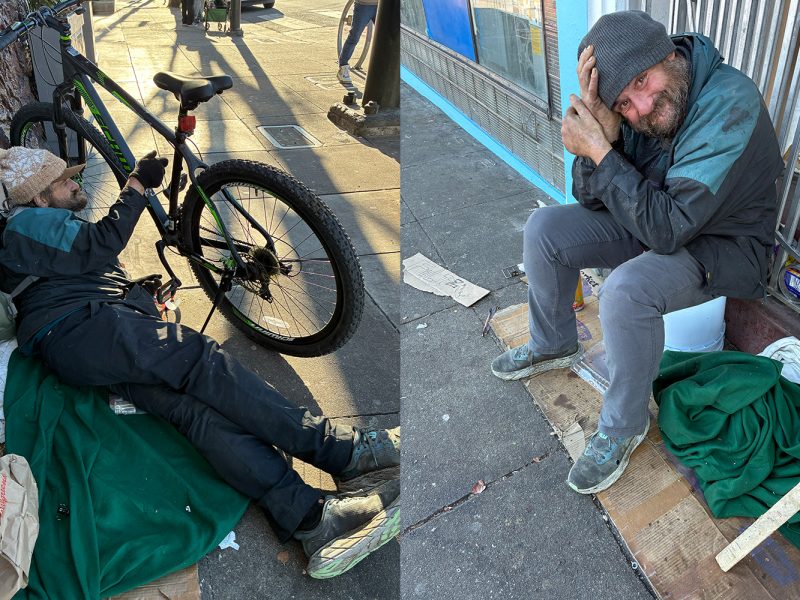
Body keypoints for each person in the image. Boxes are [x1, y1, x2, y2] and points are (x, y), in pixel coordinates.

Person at [0, 146, 401, 579]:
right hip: (81, 327)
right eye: (63, 181)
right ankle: (346, 451)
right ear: (39, 197)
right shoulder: (25, 224)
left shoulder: (35, 229)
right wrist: (136, 185)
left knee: (192, 411)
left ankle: (312, 518)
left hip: (82, 336)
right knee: (200, 358)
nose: (75, 182)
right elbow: (100, 245)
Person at [491, 11, 783, 495]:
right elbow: (592, 198)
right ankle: (552, 342)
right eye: (624, 102)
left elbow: (669, 229)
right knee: (545, 228)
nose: (642, 106)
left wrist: (604, 155)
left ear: (669, 54)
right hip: (660, 217)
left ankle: (623, 427)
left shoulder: (730, 101)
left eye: (643, 82)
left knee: (626, 291)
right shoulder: (640, 110)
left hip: (724, 245)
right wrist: (599, 139)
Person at [337, 0, 378, 84]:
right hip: (364, 5)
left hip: (383, 6)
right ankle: (343, 67)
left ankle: (384, 70)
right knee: (354, 37)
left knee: (386, 39)